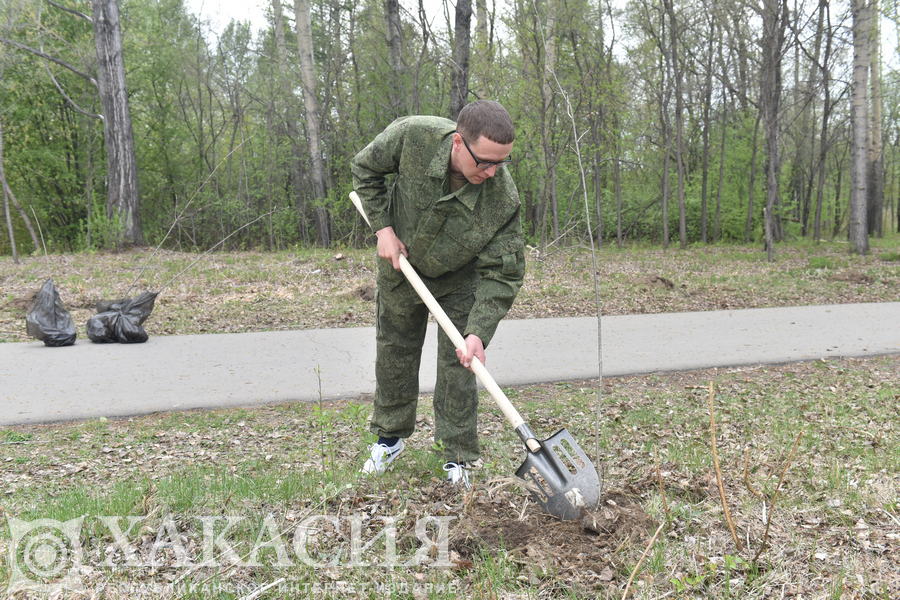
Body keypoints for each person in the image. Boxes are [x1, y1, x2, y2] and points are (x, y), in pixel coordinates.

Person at [351, 100, 525, 487]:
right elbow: (365, 170)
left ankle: (457, 457)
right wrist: (383, 229)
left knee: (459, 364)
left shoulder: (502, 199)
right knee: (395, 350)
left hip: (460, 279)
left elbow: (504, 272)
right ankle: (389, 440)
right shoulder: (414, 136)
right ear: (459, 143)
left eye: (502, 162)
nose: (493, 172)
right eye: (485, 162)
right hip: (402, 262)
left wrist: (478, 331)